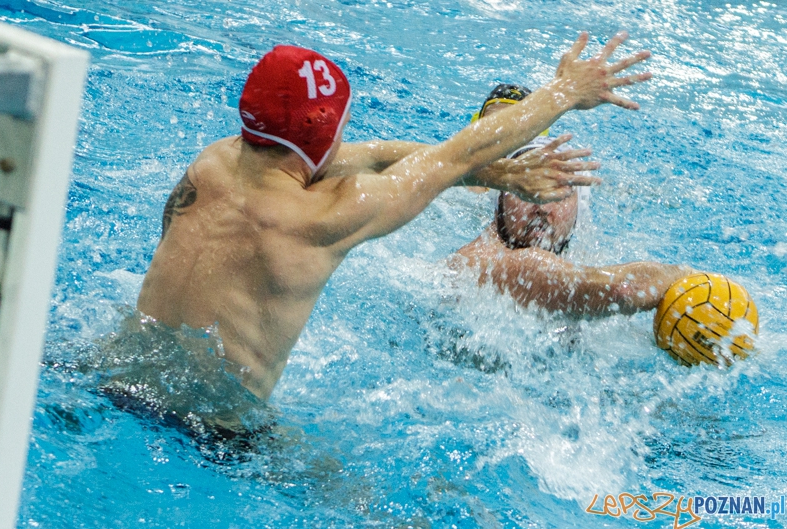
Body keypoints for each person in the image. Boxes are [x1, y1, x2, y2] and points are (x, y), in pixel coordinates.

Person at [137, 32, 653, 401]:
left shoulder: (214, 161)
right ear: (321, 132)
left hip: (121, 379)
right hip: (216, 432)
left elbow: (375, 154)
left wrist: (494, 177)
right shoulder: (328, 217)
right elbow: (456, 155)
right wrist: (564, 93)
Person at [450, 85, 694, 318]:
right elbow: (622, 289)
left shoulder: (580, 261)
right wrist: (690, 277)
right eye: (527, 192)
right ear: (500, 201)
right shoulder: (483, 263)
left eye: (559, 193)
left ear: (579, 208)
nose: (543, 207)